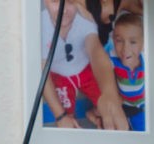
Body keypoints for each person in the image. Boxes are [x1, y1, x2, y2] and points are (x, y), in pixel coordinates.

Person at [40, 0, 129, 130]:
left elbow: (95, 51)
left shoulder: (85, 18)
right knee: (67, 122)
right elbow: (42, 72)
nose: (64, 10)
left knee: (113, 107)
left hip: (86, 69)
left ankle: (92, 112)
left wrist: (109, 93)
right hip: (59, 75)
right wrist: (60, 116)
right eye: (54, 1)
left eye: (70, 2)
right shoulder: (39, 26)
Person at [109, 12, 145, 131]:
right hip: (124, 105)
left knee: (143, 128)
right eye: (119, 41)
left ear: (143, 43)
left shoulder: (146, 60)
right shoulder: (112, 59)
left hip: (142, 104)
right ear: (113, 40)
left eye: (133, 42)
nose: (125, 49)